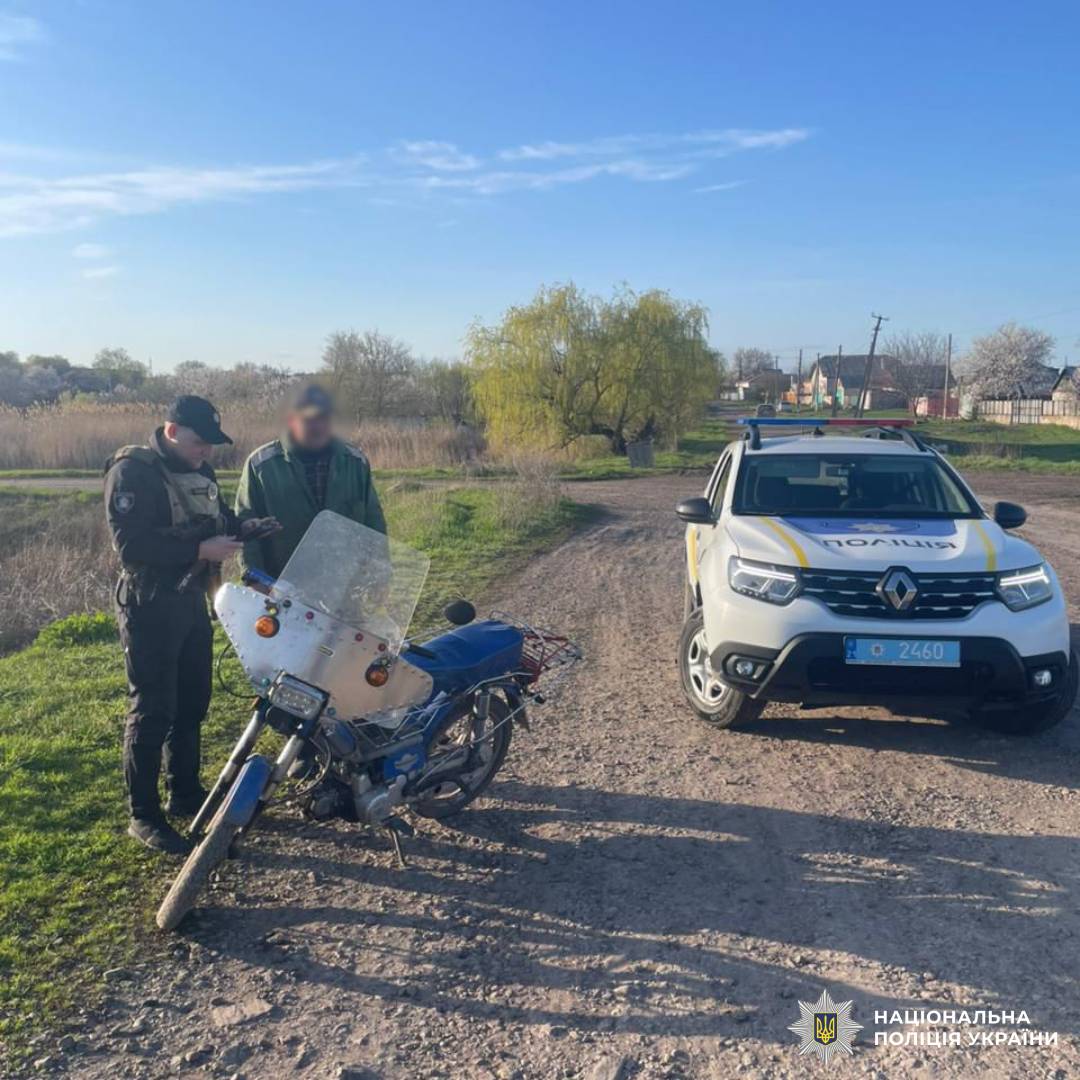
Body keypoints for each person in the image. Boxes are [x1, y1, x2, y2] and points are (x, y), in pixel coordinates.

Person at [104, 396, 273, 855]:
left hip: (191, 602)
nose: (206, 452)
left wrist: (246, 527)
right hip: (149, 604)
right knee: (153, 708)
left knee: (193, 702)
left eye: (211, 444)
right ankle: (144, 816)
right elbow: (131, 548)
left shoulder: (200, 471)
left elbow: (213, 522)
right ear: (172, 431)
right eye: (200, 442)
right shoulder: (132, 473)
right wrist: (200, 552)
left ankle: (185, 793)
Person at [235, 384, 386, 578]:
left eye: (324, 418)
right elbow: (247, 526)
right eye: (309, 419)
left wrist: (379, 572)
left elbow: (374, 522)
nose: (318, 426)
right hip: (283, 588)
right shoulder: (261, 465)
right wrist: (254, 577)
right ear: (291, 421)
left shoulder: (355, 462)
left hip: (343, 587)